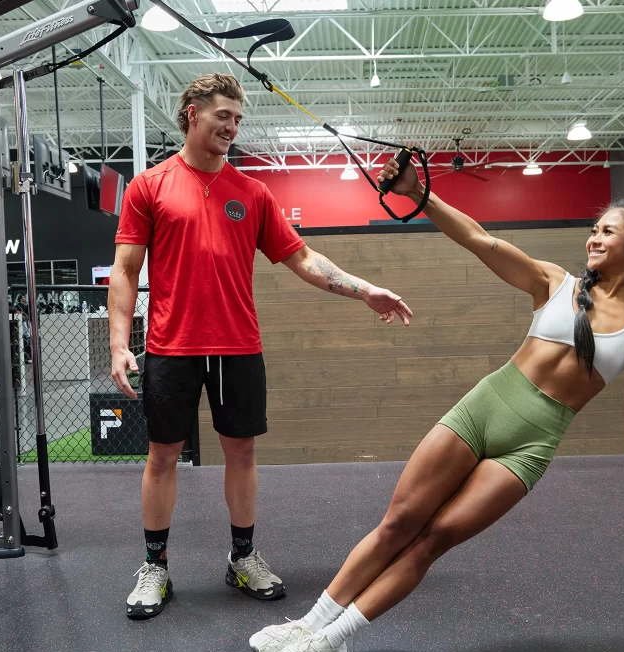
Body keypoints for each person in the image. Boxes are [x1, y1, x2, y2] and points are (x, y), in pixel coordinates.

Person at [249, 156, 624, 652]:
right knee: (399, 522)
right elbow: (478, 239)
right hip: (484, 408)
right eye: (593, 229)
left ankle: (330, 642)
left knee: (431, 540)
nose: (593, 239)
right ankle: (309, 624)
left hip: (529, 446)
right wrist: (418, 195)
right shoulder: (554, 282)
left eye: (607, 231)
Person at [108, 73, 415, 620]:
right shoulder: (149, 187)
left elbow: (302, 259)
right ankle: (155, 565)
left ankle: (243, 557)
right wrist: (118, 344)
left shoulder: (252, 193)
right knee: (162, 455)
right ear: (192, 114)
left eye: (237, 118)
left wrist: (364, 289)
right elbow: (126, 270)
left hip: (236, 345)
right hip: (171, 346)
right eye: (223, 115)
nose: (232, 126)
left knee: (242, 452)